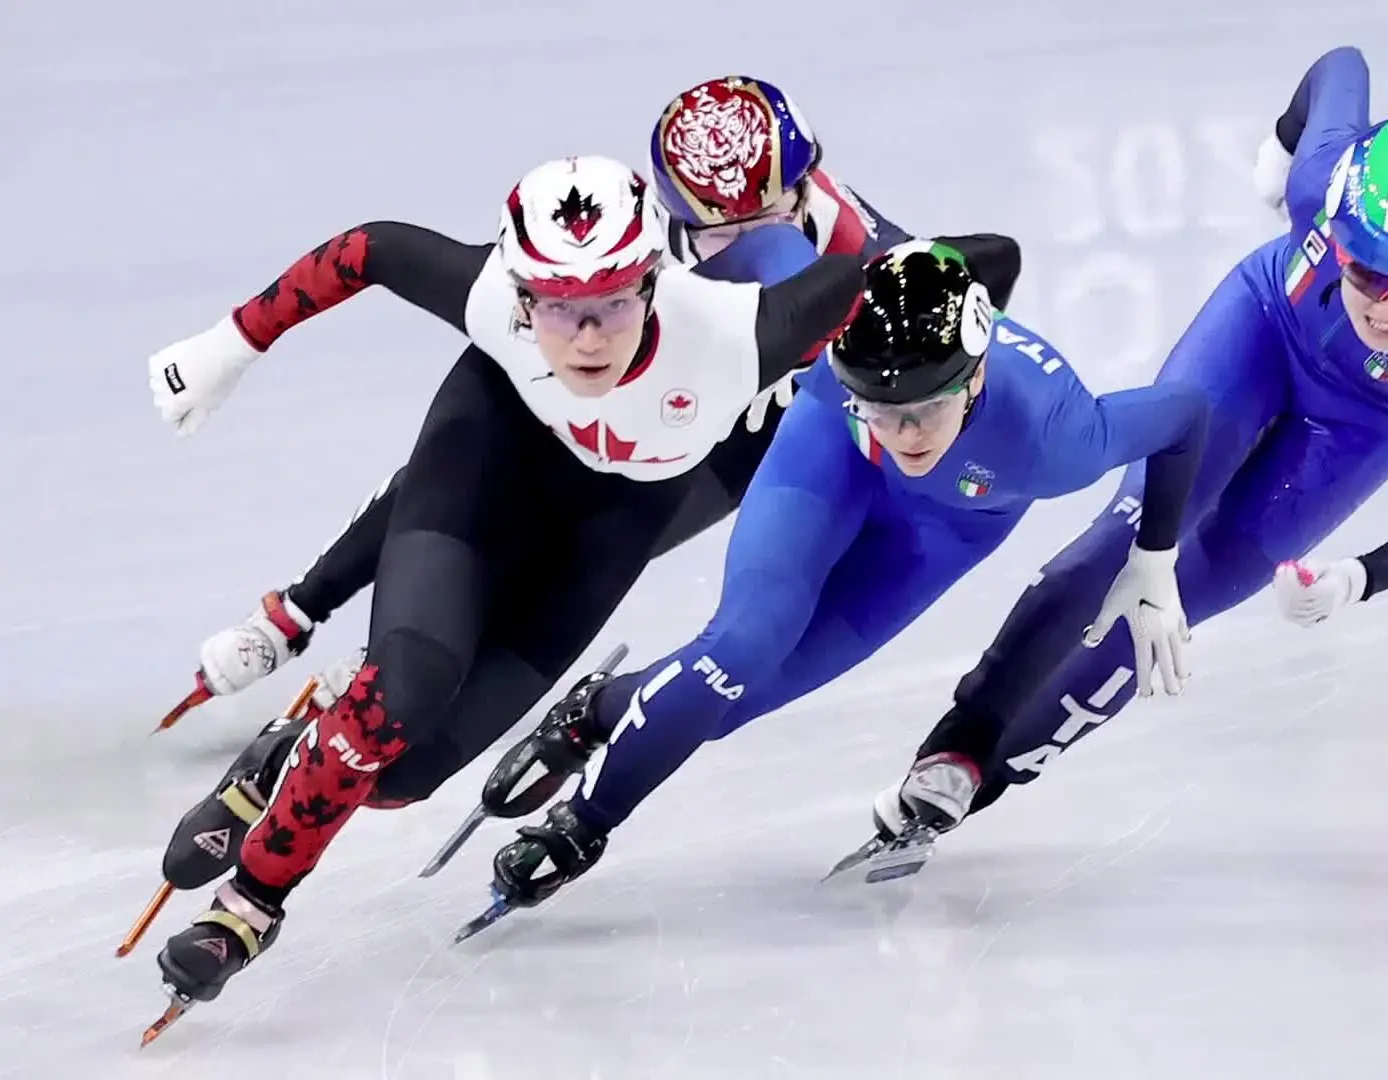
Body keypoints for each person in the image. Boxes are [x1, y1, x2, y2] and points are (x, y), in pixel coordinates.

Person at [138, 151, 873, 1029]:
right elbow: (371, 248)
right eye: (560, 310)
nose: (588, 336)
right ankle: (249, 909)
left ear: (652, 283)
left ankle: (287, 756)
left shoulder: (742, 330)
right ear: (522, 300)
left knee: (399, 779)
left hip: (604, 535)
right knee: (401, 688)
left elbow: (974, 260)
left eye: (609, 304)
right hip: (481, 469)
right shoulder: (490, 296)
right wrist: (230, 345)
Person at [860, 45, 1388, 856]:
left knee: (1163, 617)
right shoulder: (1318, 187)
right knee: (1125, 539)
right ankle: (958, 741)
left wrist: (1362, 578)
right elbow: (1342, 64)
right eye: (1365, 268)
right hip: (1265, 327)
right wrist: (1283, 143)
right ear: (1332, 232)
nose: (1386, 303)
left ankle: (981, 782)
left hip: (1365, 423)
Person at [471, 234, 1212, 918]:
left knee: (726, 707)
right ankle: (580, 827)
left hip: (941, 531)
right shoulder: (844, 333)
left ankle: (597, 713)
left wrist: (1155, 557)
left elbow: (1186, 416)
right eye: (883, 409)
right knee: (739, 648)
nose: (903, 434)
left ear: (976, 374)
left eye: (924, 410)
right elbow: (767, 245)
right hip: (827, 453)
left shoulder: (1060, 437)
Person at [167, 75, 908, 733]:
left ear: (808, 182)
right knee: (466, 474)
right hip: (616, 370)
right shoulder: (642, 241)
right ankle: (302, 606)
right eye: (724, 229)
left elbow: (964, 320)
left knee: (587, 548)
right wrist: (233, 341)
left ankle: (393, 665)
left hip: (733, 427)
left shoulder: (864, 248)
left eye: (775, 211)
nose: (754, 238)